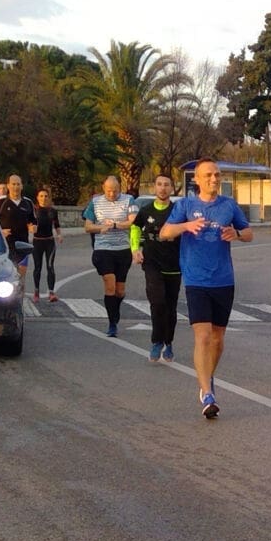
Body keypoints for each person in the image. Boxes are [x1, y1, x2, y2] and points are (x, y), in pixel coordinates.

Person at [160, 158, 253, 418]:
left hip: (223, 279)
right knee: (202, 336)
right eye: (209, 175)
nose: (214, 179)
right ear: (198, 180)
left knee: (218, 339)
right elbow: (164, 233)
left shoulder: (229, 205)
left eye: (217, 174)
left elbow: (249, 233)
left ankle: (207, 376)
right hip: (196, 280)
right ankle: (207, 393)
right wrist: (185, 226)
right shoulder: (186, 205)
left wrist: (236, 234)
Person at [131, 175, 182, 363]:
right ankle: (156, 341)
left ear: (172, 188)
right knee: (157, 302)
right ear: (154, 187)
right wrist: (135, 249)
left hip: (174, 265)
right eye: (159, 184)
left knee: (170, 307)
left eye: (166, 185)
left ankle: (168, 342)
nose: (162, 188)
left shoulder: (178, 211)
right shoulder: (146, 210)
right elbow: (135, 228)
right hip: (152, 264)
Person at [83, 176, 138, 337]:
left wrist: (115, 225)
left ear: (120, 188)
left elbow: (132, 222)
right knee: (110, 284)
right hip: (103, 249)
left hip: (122, 249)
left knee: (119, 291)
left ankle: (115, 308)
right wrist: (100, 228)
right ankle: (112, 323)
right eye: (109, 191)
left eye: (115, 191)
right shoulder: (95, 202)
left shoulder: (129, 200)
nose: (112, 194)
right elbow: (87, 227)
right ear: (103, 188)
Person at [0, 175, 36, 279]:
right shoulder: (0, 202)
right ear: (8, 186)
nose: (16, 187)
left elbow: (33, 220)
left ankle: (21, 290)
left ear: (22, 186)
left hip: (23, 245)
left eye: (18, 184)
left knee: (20, 279)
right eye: (13, 184)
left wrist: (33, 227)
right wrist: (0, 232)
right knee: (6, 277)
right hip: (5, 246)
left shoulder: (28, 203)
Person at [31, 187, 62, 303]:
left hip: (49, 242)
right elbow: (28, 223)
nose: (44, 198)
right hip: (37, 242)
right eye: (41, 196)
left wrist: (59, 235)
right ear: (37, 198)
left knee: (50, 266)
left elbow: (57, 224)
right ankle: (36, 292)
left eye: (46, 196)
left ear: (49, 198)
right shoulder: (34, 210)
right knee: (37, 267)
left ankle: (51, 293)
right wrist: (30, 228)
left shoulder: (52, 211)